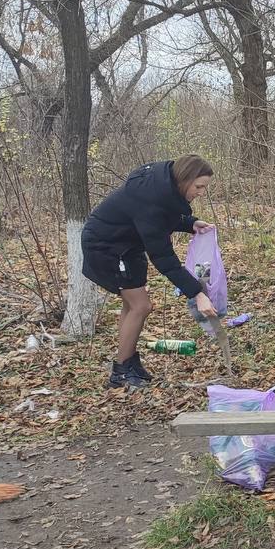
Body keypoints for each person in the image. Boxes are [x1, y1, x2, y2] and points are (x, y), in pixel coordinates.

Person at [81, 156, 218, 389]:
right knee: (141, 306)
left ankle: (128, 361)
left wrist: (190, 223)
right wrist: (197, 293)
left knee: (132, 305)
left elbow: (160, 218)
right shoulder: (152, 197)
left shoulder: (163, 185)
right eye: (199, 186)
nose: (202, 192)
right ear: (183, 180)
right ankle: (121, 372)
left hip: (128, 243)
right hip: (107, 246)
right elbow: (163, 257)